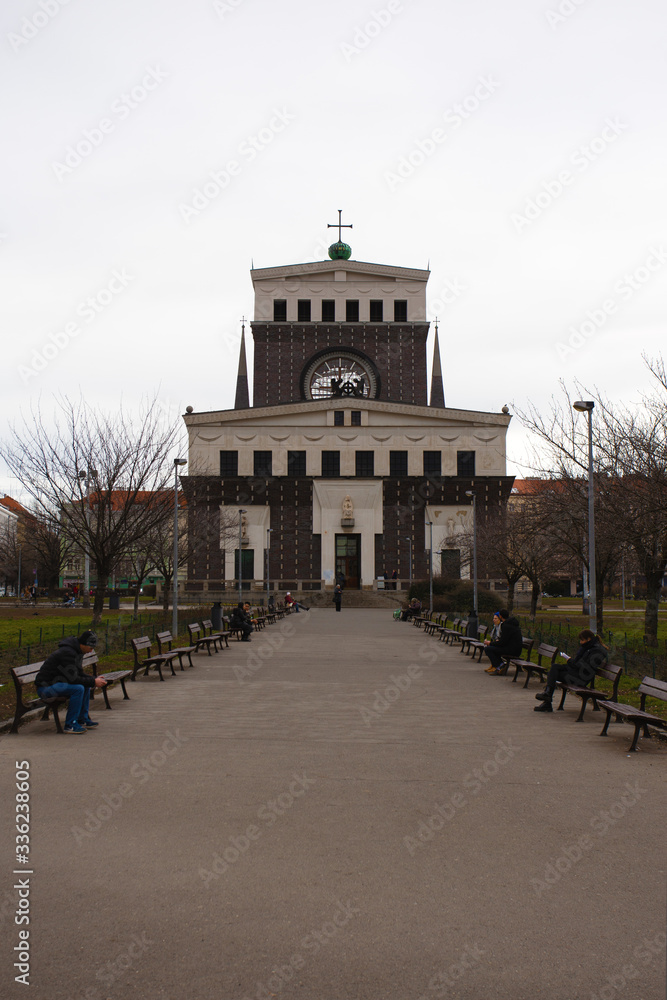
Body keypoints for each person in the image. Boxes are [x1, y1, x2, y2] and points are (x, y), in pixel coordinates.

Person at [34, 631, 107, 734]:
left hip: (57, 684)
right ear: (83, 644)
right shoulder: (68, 653)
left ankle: (82, 719)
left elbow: (79, 673)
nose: (91, 651)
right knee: (78, 689)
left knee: (85, 686)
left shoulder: (77, 651)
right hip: (45, 688)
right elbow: (73, 679)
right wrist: (93, 681)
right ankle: (70, 724)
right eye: (90, 648)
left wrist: (93, 679)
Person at [534, 629, 608, 713]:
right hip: (576, 673)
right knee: (554, 667)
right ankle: (547, 694)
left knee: (554, 674)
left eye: (582, 640)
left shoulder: (596, 651)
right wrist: (571, 662)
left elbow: (583, 667)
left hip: (581, 678)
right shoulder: (587, 648)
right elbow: (578, 664)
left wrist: (570, 661)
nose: (580, 642)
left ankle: (547, 700)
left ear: (589, 639)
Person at [483, 609, 522, 674]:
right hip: (515, 649)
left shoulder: (506, 626)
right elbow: (505, 640)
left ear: (500, 616)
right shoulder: (511, 623)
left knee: (488, 649)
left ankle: (500, 666)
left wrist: (490, 643)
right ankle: (499, 665)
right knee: (492, 648)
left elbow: (502, 642)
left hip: (512, 650)